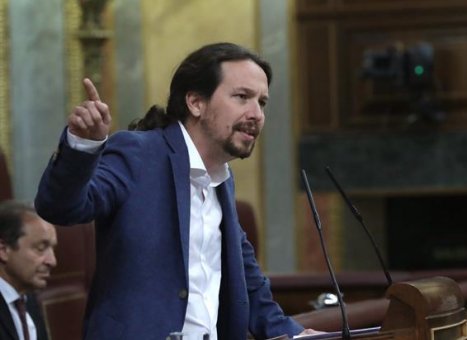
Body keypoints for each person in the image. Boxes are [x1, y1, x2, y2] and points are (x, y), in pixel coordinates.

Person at [34, 42, 318, 339]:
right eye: (242, 97)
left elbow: (246, 281)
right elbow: (60, 207)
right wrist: (83, 146)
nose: (256, 114)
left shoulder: (221, 178)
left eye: (261, 102)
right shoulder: (138, 153)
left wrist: (297, 335)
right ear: (196, 102)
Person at [0, 200, 57, 340]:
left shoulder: (27, 300)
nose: (52, 261)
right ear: (4, 250)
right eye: (41, 248)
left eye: (53, 249)